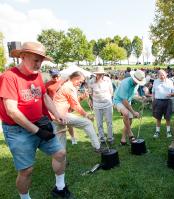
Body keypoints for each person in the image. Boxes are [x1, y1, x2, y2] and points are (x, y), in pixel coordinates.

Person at [0, 42, 73, 199]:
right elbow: (11, 111)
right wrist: (37, 131)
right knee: (26, 170)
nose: (39, 64)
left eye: (41, 60)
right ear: (23, 56)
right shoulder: (9, 77)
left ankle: (60, 188)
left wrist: (56, 113)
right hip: (17, 130)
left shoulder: (38, 75)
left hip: (41, 122)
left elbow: (44, 96)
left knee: (60, 153)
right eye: (35, 60)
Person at [52, 71, 103, 153]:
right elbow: (75, 105)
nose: (80, 84)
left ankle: (62, 161)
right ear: (75, 79)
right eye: (80, 82)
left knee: (61, 138)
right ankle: (97, 147)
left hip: (56, 116)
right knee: (87, 123)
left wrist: (82, 97)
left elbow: (71, 103)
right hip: (61, 115)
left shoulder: (66, 85)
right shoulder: (69, 87)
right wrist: (86, 115)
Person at [113, 70, 146, 145]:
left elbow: (133, 95)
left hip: (127, 101)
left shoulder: (136, 84)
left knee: (129, 120)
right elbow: (124, 101)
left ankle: (123, 139)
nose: (138, 83)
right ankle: (130, 134)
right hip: (118, 100)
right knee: (126, 113)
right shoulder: (125, 83)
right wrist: (134, 112)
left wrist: (141, 98)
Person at [45, 69, 78, 145]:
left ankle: (73, 138)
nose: (55, 78)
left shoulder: (65, 82)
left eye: (57, 76)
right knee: (57, 124)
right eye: (53, 76)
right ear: (51, 76)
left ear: (59, 75)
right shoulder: (47, 84)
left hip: (65, 106)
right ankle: (59, 139)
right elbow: (45, 96)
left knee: (68, 123)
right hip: (54, 107)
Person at [89, 66, 114, 144]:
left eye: (101, 74)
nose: (99, 75)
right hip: (96, 105)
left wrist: (108, 99)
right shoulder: (91, 81)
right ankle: (102, 138)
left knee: (109, 122)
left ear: (103, 74)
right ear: (95, 74)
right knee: (99, 123)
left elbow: (111, 91)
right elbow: (90, 93)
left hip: (107, 104)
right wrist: (90, 101)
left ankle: (110, 138)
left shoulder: (108, 80)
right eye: (98, 74)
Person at [152, 70, 174, 138]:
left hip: (168, 101)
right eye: (160, 75)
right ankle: (157, 132)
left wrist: (171, 94)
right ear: (158, 75)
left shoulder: (170, 82)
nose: (162, 76)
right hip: (158, 101)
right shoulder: (155, 81)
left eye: (163, 75)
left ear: (166, 74)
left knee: (168, 118)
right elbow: (153, 92)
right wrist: (153, 100)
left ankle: (168, 132)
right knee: (158, 117)